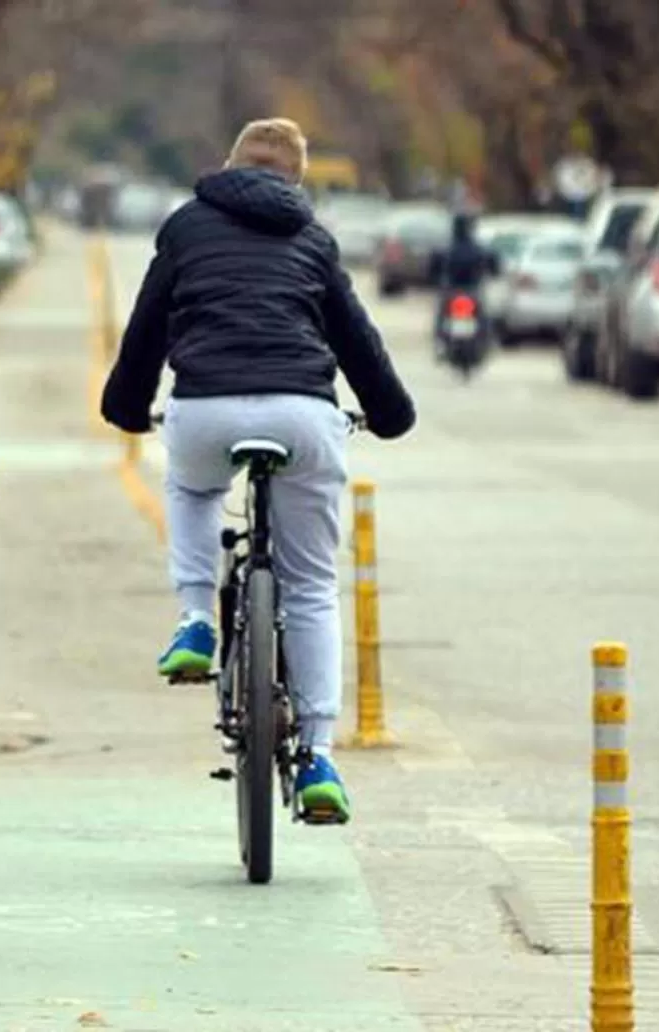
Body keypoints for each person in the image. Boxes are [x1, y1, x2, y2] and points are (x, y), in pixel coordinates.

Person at [100, 118, 416, 824]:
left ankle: (194, 621)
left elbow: (148, 326)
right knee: (308, 585)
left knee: (190, 486)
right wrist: (390, 414)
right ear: (296, 180)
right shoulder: (312, 238)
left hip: (205, 410)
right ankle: (318, 756)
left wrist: (126, 406)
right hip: (302, 415)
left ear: (229, 166)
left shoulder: (184, 228)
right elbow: (356, 339)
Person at [433, 210, 491, 352]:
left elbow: (434, 268)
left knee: (442, 315)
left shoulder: (447, 249)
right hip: (469, 290)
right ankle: (484, 340)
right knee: (482, 315)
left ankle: (440, 341)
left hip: (455, 291)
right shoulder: (476, 249)